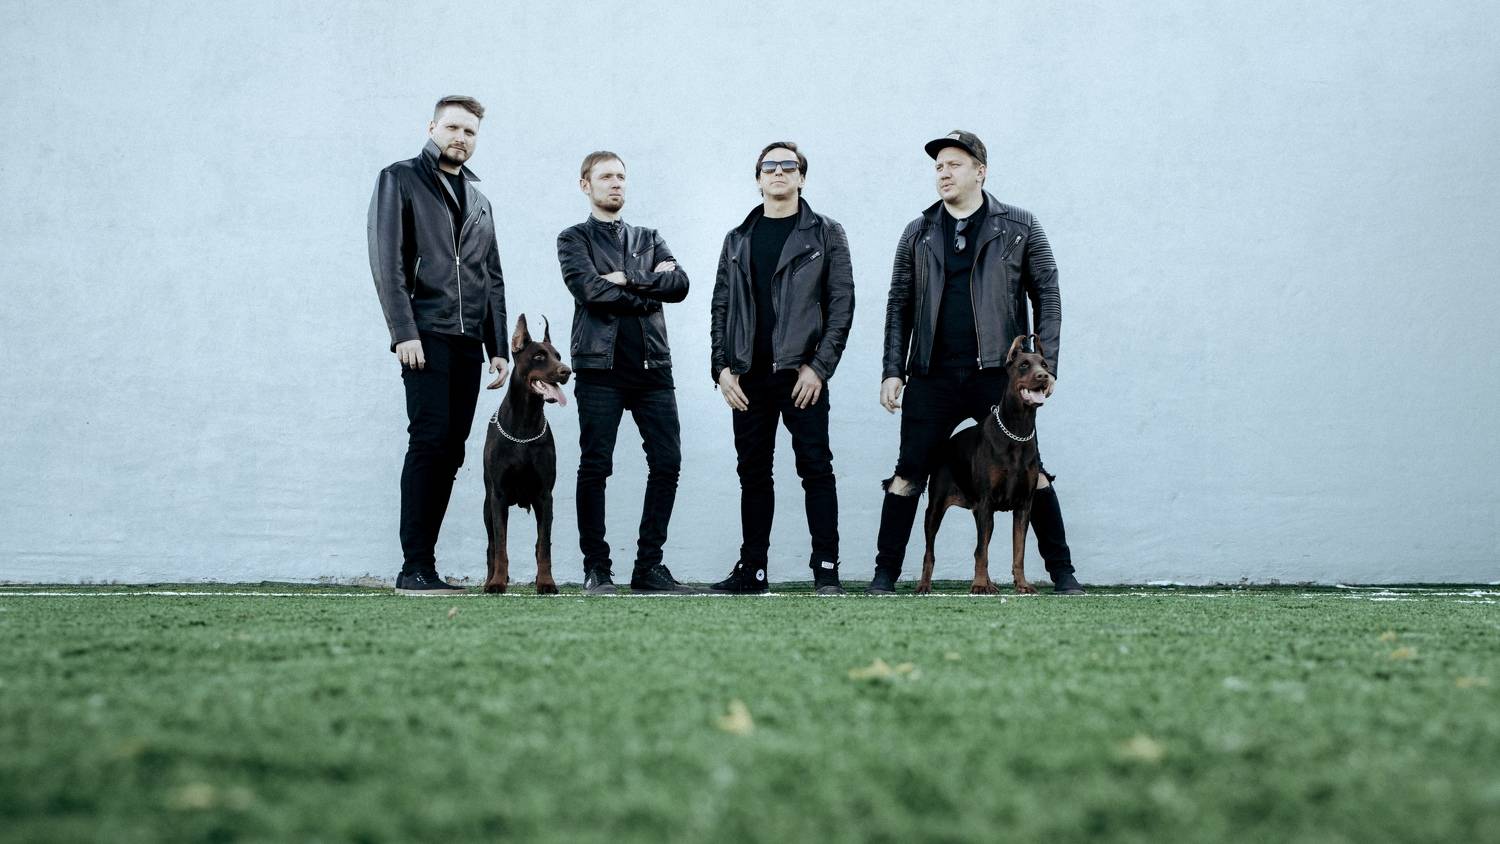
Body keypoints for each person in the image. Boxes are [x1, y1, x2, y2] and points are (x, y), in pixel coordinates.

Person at [870, 130, 1084, 595]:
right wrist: (892, 369)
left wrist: (1045, 365)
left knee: (1032, 473)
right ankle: (884, 575)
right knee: (909, 473)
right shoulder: (917, 232)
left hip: (997, 378)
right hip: (932, 375)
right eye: (939, 166)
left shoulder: (1021, 226)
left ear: (980, 171)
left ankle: (1063, 573)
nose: (943, 173)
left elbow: (1048, 295)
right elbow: (898, 304)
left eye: (955, 164)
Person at [368, 95, 510, 595]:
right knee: (429, 441)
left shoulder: (480, 201)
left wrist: (498, 347)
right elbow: (387, 260)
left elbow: (491, 278)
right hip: (424, 332)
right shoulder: (400, 178)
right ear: (432, 128)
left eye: (469, 132)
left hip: (468, 340)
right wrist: (403, 331)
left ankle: (424, 565)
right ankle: (414, 566)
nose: (460, 138)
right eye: (452, 128)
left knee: (451, 450)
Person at [708, 142, 855, 595]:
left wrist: (819, 368)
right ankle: (752, 570)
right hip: (747, 376)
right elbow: (721, 306)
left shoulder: (825, 233)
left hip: (800, 375)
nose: (778, 172)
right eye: (769, 166)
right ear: (758, 179)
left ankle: (826, 569)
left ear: (801, 178)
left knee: (816, 469)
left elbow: (842, 305)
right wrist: (721, 369)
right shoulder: (738, 238)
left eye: (788, 166)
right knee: (752, 474)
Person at [556, 151, 693, 594]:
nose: (615, 183)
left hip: (653, 368)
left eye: (620, 176)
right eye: (605, 177)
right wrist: (648, 287)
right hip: (600, 369)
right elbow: (588, 290)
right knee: (596, 466)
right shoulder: (573, 238)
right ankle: (597, 568)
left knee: (667, 463)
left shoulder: (649, 237)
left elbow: (680, 285)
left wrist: (625, 277)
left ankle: (649, 567)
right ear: (586, 185)